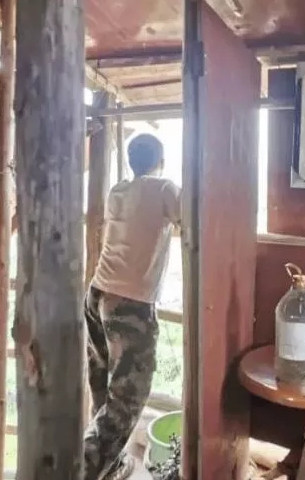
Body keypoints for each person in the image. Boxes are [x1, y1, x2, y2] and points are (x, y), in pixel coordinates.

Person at [83, 133, 181, 480]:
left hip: (97, 295)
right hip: (130, 305)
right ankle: (84, 469)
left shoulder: (118, 191)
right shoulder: (164, 188)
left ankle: (109, 464)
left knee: (103, 386)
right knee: (127, 399)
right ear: (161, 161)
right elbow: (194, 215)